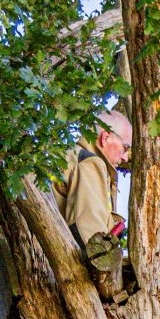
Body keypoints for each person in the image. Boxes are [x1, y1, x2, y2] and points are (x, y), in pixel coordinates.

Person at [60, 109, 132, 296]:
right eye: (125, 148)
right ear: (105, 138)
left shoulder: (72, 155)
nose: (125, 158)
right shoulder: (91, 163)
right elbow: (90, 235)